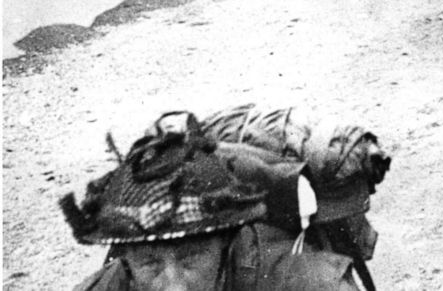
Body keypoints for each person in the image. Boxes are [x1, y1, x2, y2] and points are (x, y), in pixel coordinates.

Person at [62, 112, 374, 290]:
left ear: (225, 243)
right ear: (127, 260)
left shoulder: (300, 280)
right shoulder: (108, 286)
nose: (174, 287)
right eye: (150, 263)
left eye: (190, 260)